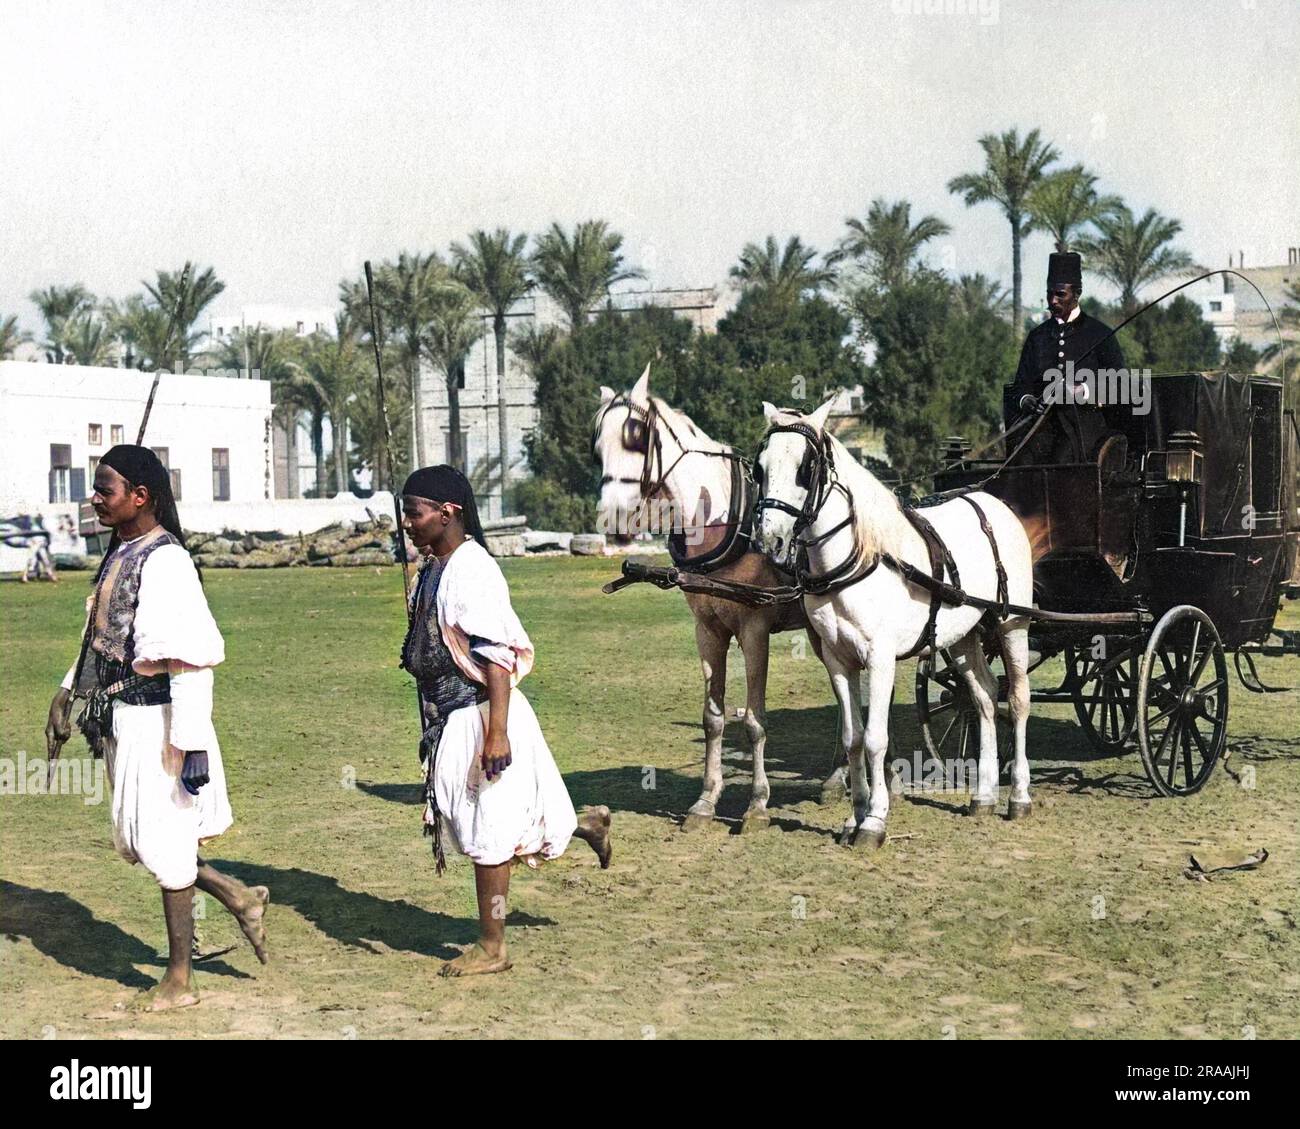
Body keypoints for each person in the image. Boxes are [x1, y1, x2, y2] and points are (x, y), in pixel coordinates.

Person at [44, 445, 269, 1011]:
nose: (94, 498)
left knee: (164, 843)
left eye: (105, 489)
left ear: (140, 496)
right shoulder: (120, 552)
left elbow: (189, 659)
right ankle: (237, 896)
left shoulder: (167, 562)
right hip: (123, 720)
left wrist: (188, 742)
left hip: (162, 722)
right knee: (142, 840)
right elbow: (105, 639)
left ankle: (180, 980)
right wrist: (68, 690)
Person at [399, 464, 611, 978]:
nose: (407, 524)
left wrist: (496, 732)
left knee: (487, 832)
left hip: (483, 716)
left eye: (415, 513)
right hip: (451, 719)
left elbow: (497, 659)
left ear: (448, 513)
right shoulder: (435, 566)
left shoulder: (473, 570)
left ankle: (492, 947)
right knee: (470, 820)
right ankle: (583, 824)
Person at [1010, 251, 1136, 463]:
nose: (1053, 301)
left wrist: (1081, 391)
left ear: (1076, 294)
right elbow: (1021, 383)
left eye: (1060, 295)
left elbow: (1120, 385)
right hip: (1040, 427)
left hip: (1085, 430)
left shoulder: (1100, 334)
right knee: (1021, 465)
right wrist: (1026, 400)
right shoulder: (1037, 337)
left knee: (1063, 461)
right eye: (1050, 294)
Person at [21, 516, 58, 583]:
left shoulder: (42, 527)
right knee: (32, 559)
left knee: (44, 560)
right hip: (36, 544)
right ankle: (24, 576)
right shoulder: (35, 527)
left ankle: (51, 576)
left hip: (39, 544)